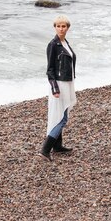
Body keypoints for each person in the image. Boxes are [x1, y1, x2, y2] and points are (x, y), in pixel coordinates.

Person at [40, 15, 77, 161]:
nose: (61, 29)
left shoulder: (65, 43)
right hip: (59, 85)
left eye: (64, 26)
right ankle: (45, 149)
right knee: (61, 118)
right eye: (58, 26)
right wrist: (55, 88)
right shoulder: (53, 45)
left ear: (68, 28)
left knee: (62, 112)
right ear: (55, 27)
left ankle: (57, 146)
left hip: (67, 82)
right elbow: (50, 70)